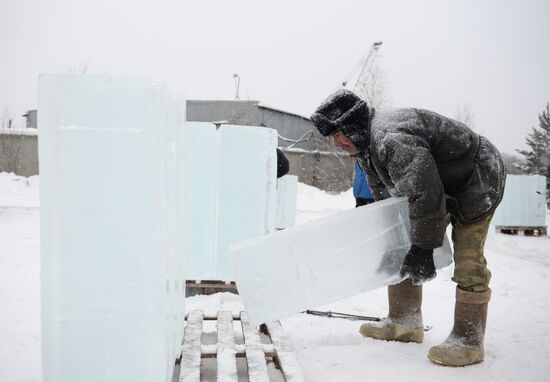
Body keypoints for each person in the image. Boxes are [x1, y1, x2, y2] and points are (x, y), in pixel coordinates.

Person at [310, 89, 506, 367]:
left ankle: (469, 341)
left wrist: (423, 249)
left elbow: (424, 193)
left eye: (338, 134)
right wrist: (389, 239)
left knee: (468, 258)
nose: (335, 143)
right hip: (439, 183)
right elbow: (389, 197)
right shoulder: (366, 146)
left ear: (353, 124)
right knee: (400, 243)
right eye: (330, 137)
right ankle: (405, 322)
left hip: (477, 179)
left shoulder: (392, 139)